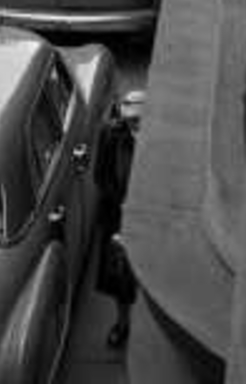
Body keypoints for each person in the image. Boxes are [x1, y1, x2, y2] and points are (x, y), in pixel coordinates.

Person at [95, 107, 139, 349]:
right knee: (119, 279)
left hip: (147, 217)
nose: (136, 127)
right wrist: (119, 202)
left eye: (140, 121)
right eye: (132, 122)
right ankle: (122, 323)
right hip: (118, 217)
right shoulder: (112, 137)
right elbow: (100, 177)